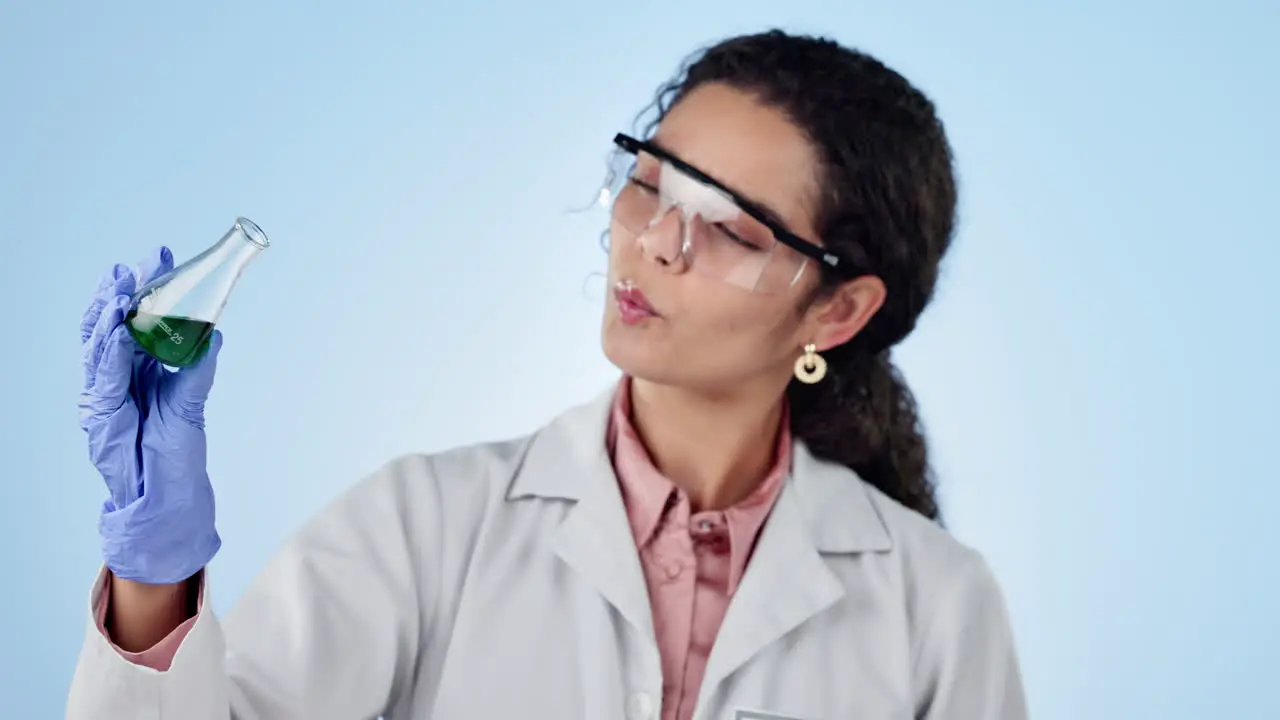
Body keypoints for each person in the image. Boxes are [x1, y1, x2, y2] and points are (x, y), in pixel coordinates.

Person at [67, 29, 1028, 720]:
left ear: (838, 310)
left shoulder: (937, 607)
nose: (655, 243)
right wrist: (154, 577)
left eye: (730, 227)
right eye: (650, 181)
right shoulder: (426, 530)